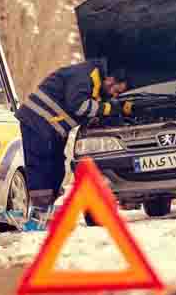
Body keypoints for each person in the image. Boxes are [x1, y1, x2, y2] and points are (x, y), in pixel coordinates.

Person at [15, 60, 131, 214]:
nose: (114, 95)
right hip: (36, 122)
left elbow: (88, 108)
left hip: (53, 128)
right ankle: (39, 211)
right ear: (110, 79)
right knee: (41, 167)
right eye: (116, 91)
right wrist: (108, 108)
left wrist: (116, 109)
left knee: (56, 170)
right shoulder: (83, 76)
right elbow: (78, 105)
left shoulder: (95, 84)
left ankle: (45, 208)